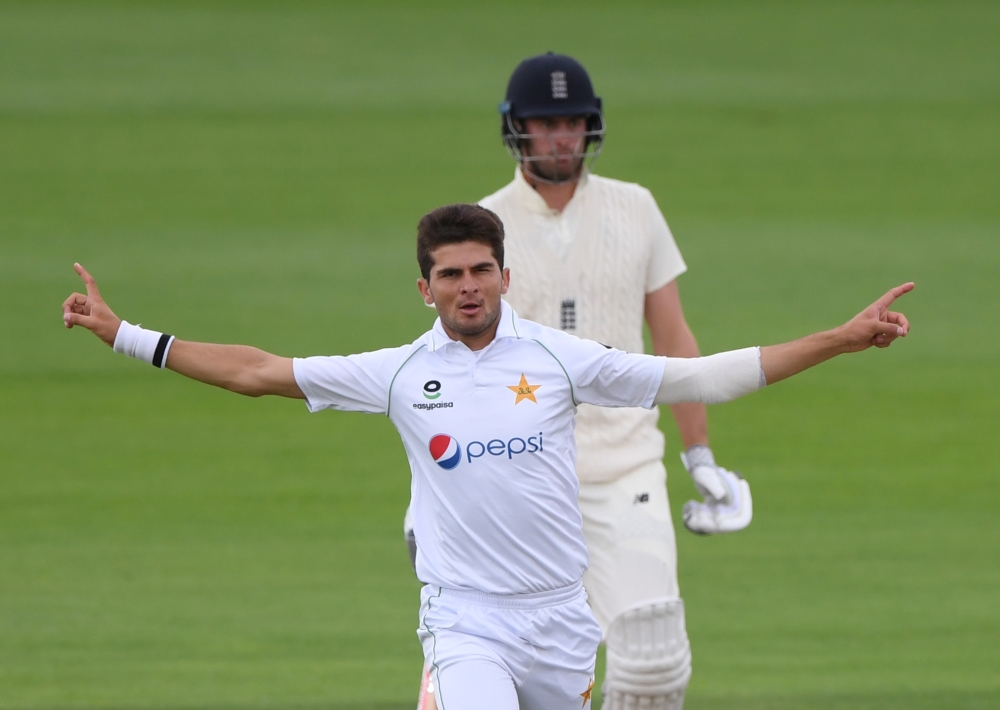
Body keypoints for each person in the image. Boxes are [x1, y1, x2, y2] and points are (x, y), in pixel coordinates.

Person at [62, 203, 912, 710]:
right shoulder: (396, 373)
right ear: (423, 288)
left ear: (505, 276)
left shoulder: (558, 360)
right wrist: (126, 336)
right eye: (449, 274)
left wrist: (840, 339)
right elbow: (256, 372)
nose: (467, 285)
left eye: (481, 270)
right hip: (466, 618)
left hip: (561, 621)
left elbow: (704, 376)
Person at [410, 52, 746, 710]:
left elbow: (673, 338)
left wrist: (699, 454)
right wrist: (426, 495)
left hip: (625, 465)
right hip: (514, 472)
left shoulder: (637, 208)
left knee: (653, 659)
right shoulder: (483, 222)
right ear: (517, 130)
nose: (561, 137)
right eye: (545, 123)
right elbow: (447, 362)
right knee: (490, 654)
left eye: (572, 122)